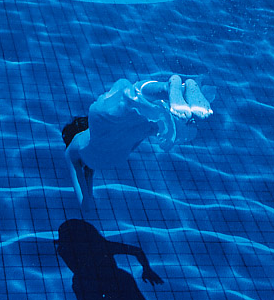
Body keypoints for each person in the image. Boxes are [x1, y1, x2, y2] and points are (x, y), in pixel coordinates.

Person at [62, 73, 214, 207]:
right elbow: (140, 134)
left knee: (130, 101)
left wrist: (87, 185)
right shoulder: (95, 154)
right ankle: (173, 89)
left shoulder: (74, 149)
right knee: (131, 98)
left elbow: (85, 203)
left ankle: (172, 91)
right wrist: (88, 177)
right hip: (115, 129)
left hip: (108, 131)